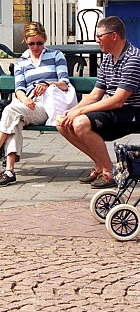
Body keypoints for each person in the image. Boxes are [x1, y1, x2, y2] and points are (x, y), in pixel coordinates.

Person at [0, 22, 70, 187]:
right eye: (31, 43)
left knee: (10, 110)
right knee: (14, 118)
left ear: (45, 40)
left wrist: (47, 83)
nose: (35, 47)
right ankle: (9, 171)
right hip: (28, 104)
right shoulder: (22, 62)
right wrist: (24, 99)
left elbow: (64, 83)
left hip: (48, 105)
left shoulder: (56, 56)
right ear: (25, 41)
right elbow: (19, 89)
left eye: (39, 43)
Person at [57, 16, 140, 189]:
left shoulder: (133, 59)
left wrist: (79, 113)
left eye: (99, 36)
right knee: (63, 124)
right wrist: (71, 110)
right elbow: (95, 94)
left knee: (79, 123)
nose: (96, 40)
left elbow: (118, 101)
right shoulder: (108, 58)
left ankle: (109, 172)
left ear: (114, 36)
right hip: (116, 110)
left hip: (131, 112)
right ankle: (100, 165)